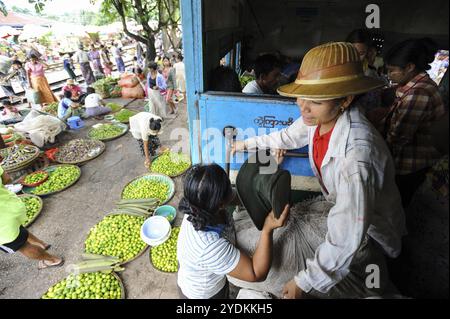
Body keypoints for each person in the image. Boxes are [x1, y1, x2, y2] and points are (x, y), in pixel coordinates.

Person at [232, 42, 406, 299]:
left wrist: (304, 282)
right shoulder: (320, 118)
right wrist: (245, 144)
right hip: (348, 215)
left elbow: (347, 237)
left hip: (370, 232)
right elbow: (287, 137)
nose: (303, 106)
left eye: (315, 100)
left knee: (365, 281)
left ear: (345, 100)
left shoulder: (356, 157)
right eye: (301, 95)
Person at [176, 164, 290, 299]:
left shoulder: (198, 203)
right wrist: (267, 229)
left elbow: (234, 196)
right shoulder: (209, 245)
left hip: (210, 276)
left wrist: (257, 194)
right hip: (204, 294)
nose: (232, 191)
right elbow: (256, 272)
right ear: (220, 204)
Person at [376, 38, 446, 208]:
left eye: (392, 71)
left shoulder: (419, 92)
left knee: (395, 207)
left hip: (410, 164)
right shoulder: (416, 85)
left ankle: (397, 233)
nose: (389, 75)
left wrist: (377, 157)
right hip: (413, 159)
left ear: (409, 67)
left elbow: (399, 136)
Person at [0, 166, 64, 269]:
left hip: (3, 226)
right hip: (11, 207)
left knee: (23, 246)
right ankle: (42, 244)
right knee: (18, 228)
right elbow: (7, 179)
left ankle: (52, 260)